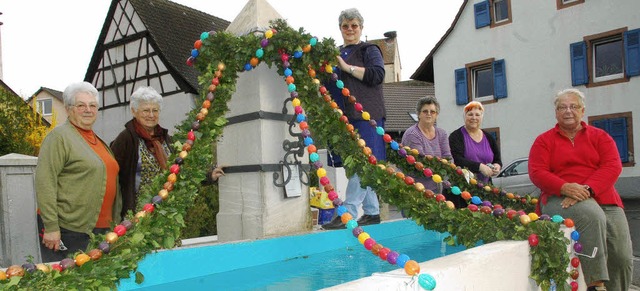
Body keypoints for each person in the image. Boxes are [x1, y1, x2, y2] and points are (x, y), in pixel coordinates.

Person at [528, 89, 633, 291]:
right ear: (556, 112)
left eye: (573, 106)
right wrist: (564, 187)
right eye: (562, 107)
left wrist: (586, 190)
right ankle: (596, 284)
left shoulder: (600, 137)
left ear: (582, 111)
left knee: (621, 255)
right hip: (559, 198)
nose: (568, 111)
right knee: (590, 214)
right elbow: (537, 172)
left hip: (603, 197)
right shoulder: (544, 141)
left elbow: (612, 166)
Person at [35, 81, 122, 262]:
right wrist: (51, 227)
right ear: (68, 109)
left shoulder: (98, 141)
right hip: (70, 229)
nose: (88, 110)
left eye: (92, 105)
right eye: (80, 105)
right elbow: (45, 181)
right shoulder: (59, 137)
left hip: (102, 230)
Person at [322, 8, 386, 230]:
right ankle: (372, 211)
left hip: (365, 114)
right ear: (340, 28)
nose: (349, 29)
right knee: (358, 164)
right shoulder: (334, 53)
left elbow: (377, 74)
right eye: (345, 25)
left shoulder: (369, 49)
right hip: (343, 116)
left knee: (362, 161)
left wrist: (346, 68)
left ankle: (348, 212)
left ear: (361, 28)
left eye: (354, 25)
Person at [110, 86, 173, 219]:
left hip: (166, 211)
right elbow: (111, 173)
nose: (151, 115)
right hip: (138, 215)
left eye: (155, 110)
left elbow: (180, 167)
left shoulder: (165, 138)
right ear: (134, 111)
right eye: (145, 110)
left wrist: (210, 175)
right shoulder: (126, 138)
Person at [448, 101, 502, 207]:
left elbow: (497, 158)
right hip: (464, 190)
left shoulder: (489, 137)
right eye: (470, 114)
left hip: (485, 188)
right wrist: (480, 167)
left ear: (482, 117)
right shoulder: (456, 136)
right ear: (464, 117)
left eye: (477, 115)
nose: (474, 118)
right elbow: (458, 160)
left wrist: (497, 166)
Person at [401, 96, 452, 194]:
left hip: (438, 190)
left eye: (432, 112)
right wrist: (442, 165)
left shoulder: (442, 134)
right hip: (415, 190)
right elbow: (421, 163)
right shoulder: (412, 134)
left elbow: (448, 158)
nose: (429, 114)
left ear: (436, 115)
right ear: (419, 114)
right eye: (425, 111)